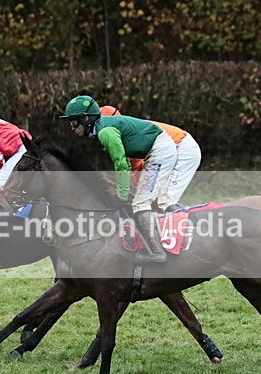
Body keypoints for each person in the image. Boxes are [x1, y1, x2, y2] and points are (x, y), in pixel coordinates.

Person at [62, 95, 176, 263]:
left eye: (74, 122)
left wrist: (121, 195)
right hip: (157, 151)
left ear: (86, 119)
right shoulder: (102, 128)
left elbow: (121, 164)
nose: (72, 128)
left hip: (160, 152)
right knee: (138, 201)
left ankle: (158, 252)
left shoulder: (105, 132)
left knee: (140, 203)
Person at [100, 105, 201, 213]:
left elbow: (137, 170)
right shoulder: (129, 128)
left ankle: (186, 226)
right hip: (177, 149)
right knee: (156, 201)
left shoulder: (127, 137)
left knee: (165, 202)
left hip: (183, 150)